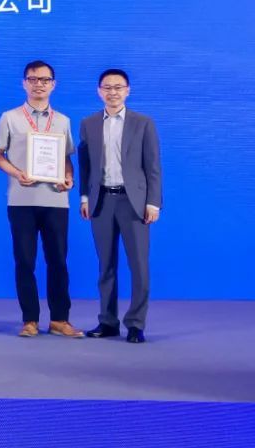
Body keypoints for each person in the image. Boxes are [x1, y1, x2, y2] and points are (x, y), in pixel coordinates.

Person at [0, 61, 82, 339]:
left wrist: (69, 177)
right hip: (21, 200)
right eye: (33, 79)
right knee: (25, 261)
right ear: (24, 83)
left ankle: (60, 319)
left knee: (58, 261)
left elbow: (66, 158)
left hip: (56, 200)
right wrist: (16, 173)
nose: (38, 84)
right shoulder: (10, 117)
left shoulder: (63, 121)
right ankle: (29, 320)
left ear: (53, 84)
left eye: (44, 80)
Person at [78, 68, 162, 344]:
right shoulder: (89, 123)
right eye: (107, 87)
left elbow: (153, 167)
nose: (112, 92)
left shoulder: (143, 123)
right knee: (105, 265)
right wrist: (84, 198)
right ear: (98, 91)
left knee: (139, 266)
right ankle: (108, 321)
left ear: (128, 91)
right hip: (101, 201)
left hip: (133, 202)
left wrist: (153, 202)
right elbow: (85, 166)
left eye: (118, 87)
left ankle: (136, 324)